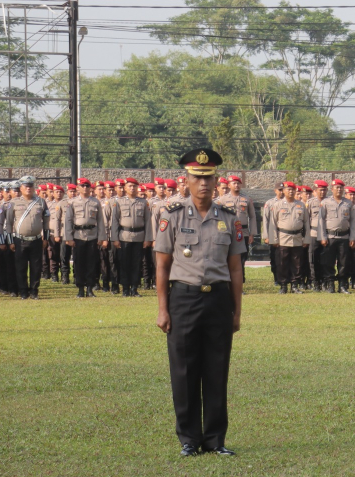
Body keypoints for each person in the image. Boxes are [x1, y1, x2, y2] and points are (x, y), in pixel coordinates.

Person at [155, 148, 246, 458]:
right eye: (197, 178)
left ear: (217, 180)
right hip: (184, 299)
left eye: (208, 178)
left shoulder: (230, 219)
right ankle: (189, 439)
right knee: (184, 370)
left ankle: (215, 439)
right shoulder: (172, 216)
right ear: (187, 180)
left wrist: (236, 311)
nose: (204, 184)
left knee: (217, 369)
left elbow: (235, 268)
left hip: (218, 299)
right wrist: (163, 308)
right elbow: (162, 266)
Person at [4, 175, 49, 299]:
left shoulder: (41, 202)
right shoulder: (14, 203)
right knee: (20, 267)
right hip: (20, 240)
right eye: (26, 186)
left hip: (36, 240)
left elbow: (46, 221)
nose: (28, 188)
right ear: (21, 188)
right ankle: (23, 291)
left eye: (31, 186)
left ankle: (34, 291)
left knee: (36, 267)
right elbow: (8, 222)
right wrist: (10, 241)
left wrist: (46, 238)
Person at [65, 177, 107, 298]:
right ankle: (80, 288)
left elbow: (100, 220)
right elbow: (68, 221)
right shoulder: (72, 202)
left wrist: (101, 237)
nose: (85, 188)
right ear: (78, 188)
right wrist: (69, 237)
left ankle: (90, 288)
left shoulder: (95, 202)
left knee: (91, 263)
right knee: (79, 263)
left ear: (90, 188)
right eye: (82, 186)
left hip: (92, 235)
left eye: (87, 186)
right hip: (78, 236)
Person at [110, 177, 150, 296]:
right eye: (130, 186)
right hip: (124, 237)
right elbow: (115, 221)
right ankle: (125, 288)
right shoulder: (119, 202)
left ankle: (134, 288)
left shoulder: (143, 202)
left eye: (134, 186)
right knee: (124, 264)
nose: (132, 188)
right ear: (125, 188)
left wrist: (148, 238)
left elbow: (148, 221)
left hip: (139, 237)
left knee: (137, 264)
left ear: (138, 188)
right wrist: (115, 238)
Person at [215, 174, 257, 281]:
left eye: (238, 183)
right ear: (229, 185)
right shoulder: (222, 199)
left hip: (243, 232)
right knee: (229, 257)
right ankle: (229, 279)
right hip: (229, 231)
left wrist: (252, 233)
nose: (237, 185)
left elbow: (252, 216)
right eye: (234, 183)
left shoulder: (246, 199)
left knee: (242, 257)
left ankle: (240, 280)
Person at [269, 182, 308, 293]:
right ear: (284, 191)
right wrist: (274, 239)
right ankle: (283, 285)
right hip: (283, 238)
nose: (291, 191)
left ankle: (294, 285)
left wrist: (306, 239)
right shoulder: (278, 205)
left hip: (297, 237)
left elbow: (306, 224)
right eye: (288, 189)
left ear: (296, 191)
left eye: (293, 189)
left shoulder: (300, 205)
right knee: (282, 263)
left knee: (297, 263)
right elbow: (273, 223)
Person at [319, 179, 355, 293]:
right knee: (328, 262)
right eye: (337, 187)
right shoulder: (325, 202)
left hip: (344, 237)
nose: (339, 189)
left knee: (344, 262)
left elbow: (353, 223)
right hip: (330, 237)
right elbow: (321, 221)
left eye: (341, 188)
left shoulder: (348, 203)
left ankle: (342, 285)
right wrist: (323, 237)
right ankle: (330, 284)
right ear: (332, 189)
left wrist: (353, 238)